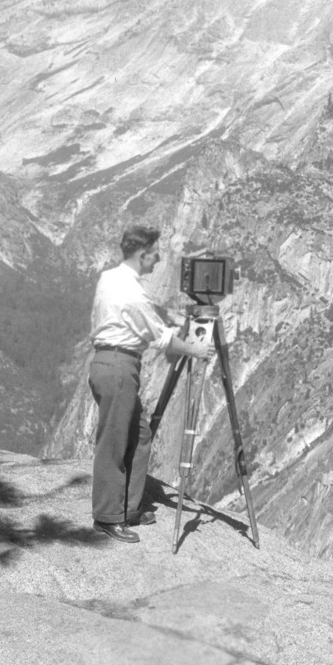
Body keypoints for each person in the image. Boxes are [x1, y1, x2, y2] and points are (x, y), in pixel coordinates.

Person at [88, 225, 212, 543]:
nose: (158, 259)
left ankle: (127, 507)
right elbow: (161, 337)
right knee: (114, 444)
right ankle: (107, 517)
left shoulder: (110, 277)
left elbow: (139, 321)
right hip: (118, 366)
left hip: (111, 362)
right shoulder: (132, 291)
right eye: (156, 253)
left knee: (139, 436)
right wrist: (196, 349)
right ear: (142, 255)